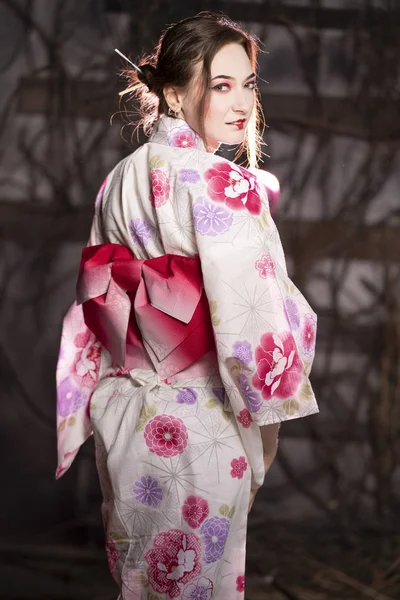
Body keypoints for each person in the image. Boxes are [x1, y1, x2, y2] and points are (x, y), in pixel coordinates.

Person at [56, 12, 318, 600]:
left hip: (125, 417)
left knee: (143, 584)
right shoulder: (224, 184)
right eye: (219, 85)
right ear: (174, 93)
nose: (242, 101)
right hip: (201, 423)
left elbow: (97, 304)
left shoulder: (117, 180)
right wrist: (267, 433)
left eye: (248, 83)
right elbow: (257, 323)